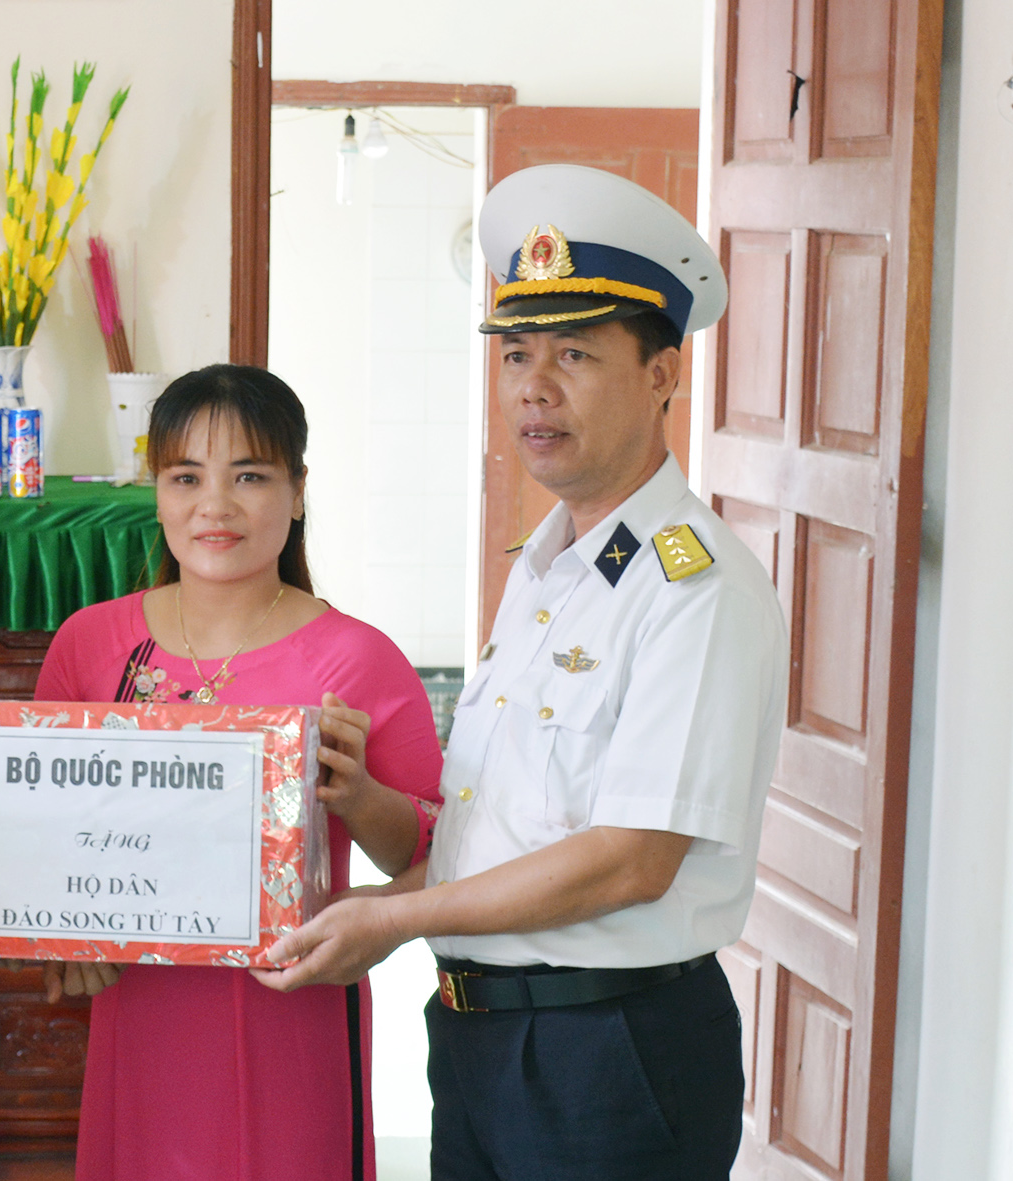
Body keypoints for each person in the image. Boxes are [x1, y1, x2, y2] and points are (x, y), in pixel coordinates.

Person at [254, 164, 790, 1180]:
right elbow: (503, 837)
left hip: (608, 1055)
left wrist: (390, 917)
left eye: (574, 353)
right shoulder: (547, 568)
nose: (533, 387)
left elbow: (630, 859)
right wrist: (367, 893)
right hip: (483, 1043)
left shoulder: (693, 587)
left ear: (662, 375)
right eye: (514, 354)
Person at [34, 364, 446, 1181]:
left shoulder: (356, 658)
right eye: (186, 477)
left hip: (288, 1009)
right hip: (139, 1012)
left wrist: (359, 794)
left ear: (298, 492)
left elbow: (433, 855)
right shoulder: (90, 642)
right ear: (157, 492)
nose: (214, 505)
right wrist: (62, 936)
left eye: (249, 476)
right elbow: (43, 832)